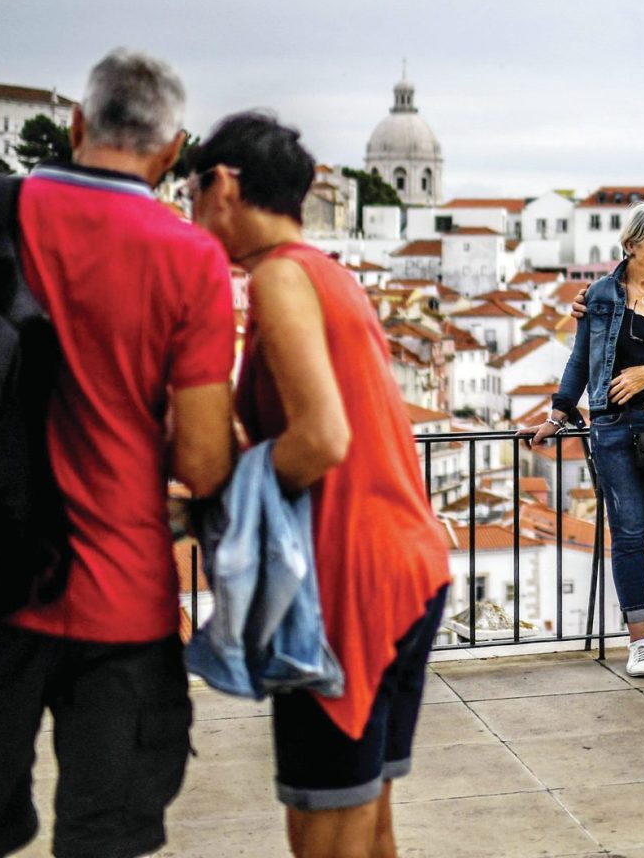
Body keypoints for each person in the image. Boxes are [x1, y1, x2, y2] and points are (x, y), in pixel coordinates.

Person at [0, 50, 237, 858]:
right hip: (121, 598)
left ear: (78, 124)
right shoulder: (191, 260)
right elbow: (203, 458)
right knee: (106, 842)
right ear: (171, 150)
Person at [190, 112, 453, 858]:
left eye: (193, 188)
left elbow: (323, 437)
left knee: (325, 834)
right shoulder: (331, 272)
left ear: (226, 186)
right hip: (410, 566)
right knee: (371, 827)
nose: (189, 208)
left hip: (349, 586)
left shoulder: (279, 278)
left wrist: (217, 494)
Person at [538, 203, 644, 678]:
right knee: (630, 535)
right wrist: (558, 413)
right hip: (614, 429)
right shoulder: (599, 296)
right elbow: (580, 360)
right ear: (631, 244)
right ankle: (638, 643)